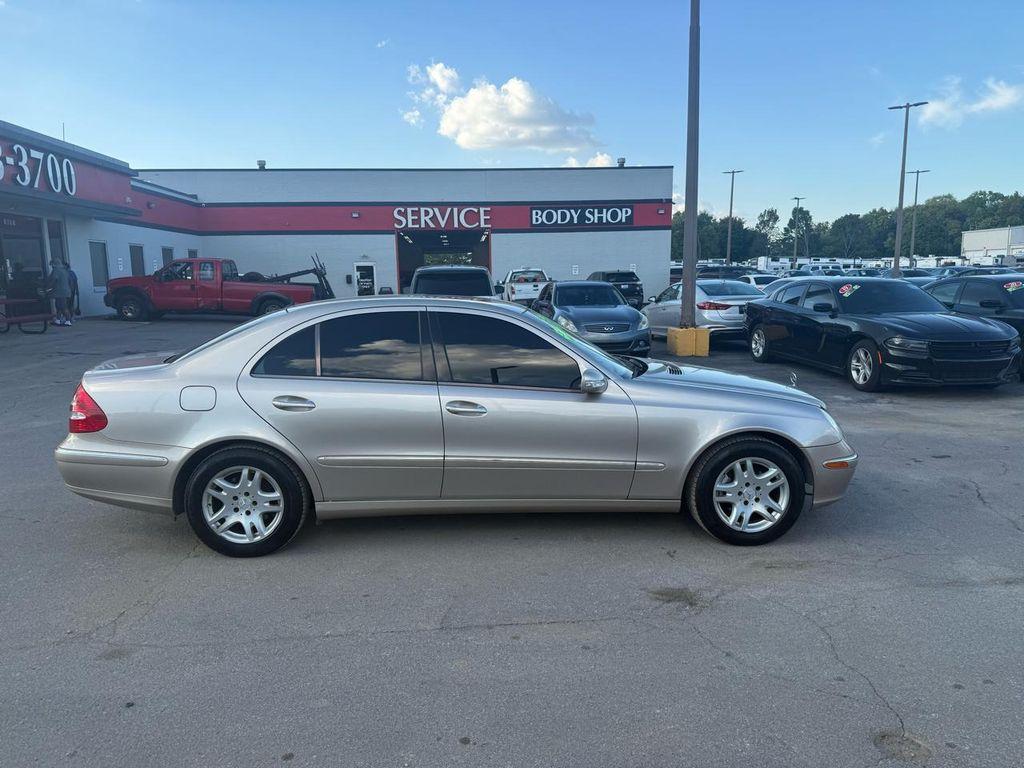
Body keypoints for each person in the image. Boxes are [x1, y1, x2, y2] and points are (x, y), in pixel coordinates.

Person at [48, 258, 73, 326]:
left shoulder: (56, 270)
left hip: (60, 292)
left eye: (52, 265)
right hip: (65, 291)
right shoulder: (65, 271)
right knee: (58, 307)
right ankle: (58, 320)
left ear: (54, 264)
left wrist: (49, 287)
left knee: (63, 307)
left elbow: (54, 279)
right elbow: (70, 281)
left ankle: (68, 321)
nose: (51, 266)